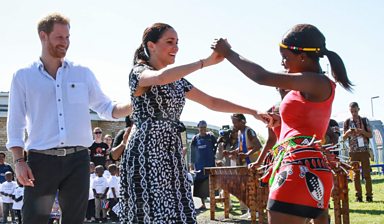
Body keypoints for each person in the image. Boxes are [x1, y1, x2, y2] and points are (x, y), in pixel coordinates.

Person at [113, 22, 270, 223]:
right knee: (149, 213)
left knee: (178, 211)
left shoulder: (178, 80)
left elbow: (211, 102)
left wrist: (253, 111)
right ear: (151, 45)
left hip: (171, 150)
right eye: (170, 42)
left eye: (177, 42)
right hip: (146, 150)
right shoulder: (139, 71)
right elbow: (160, 77)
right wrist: (205, 62)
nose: (176, 48)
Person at [213, 23, 353, 223]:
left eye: (285, 57)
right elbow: (302, 125)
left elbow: (262, 77)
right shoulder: (310, 87)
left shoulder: (317, 82)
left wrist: (228, 53)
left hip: (297, 171)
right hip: (310, 168)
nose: (283, 63)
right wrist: (279, 121)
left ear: (303, 57)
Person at [6, 13, 131, 224]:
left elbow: (107, 107)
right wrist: (19, 161)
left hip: (78, 160)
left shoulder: (83, 73)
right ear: (43, 36)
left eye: (68, 37)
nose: (65, 42)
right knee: (33, 219)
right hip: (40, 161)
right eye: (60, 37)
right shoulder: (23, 76)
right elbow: (15, 122)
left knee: (75, 219)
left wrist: (136, 103)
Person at [343, 102, 373, 202]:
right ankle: (358, 197)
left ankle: (369, 196)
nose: (354, 113)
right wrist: (347, 133)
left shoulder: (364, 120)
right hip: (353, 152)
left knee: (367, 174)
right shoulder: (347, 122)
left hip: (364, 151)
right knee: (355, 175)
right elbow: (343, 138)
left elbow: (370, 135)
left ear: (358, 109)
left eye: (355, 111)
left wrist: (362, 132)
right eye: (352, 111)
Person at [190, 120, 217, 210]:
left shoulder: (211, 137)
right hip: (199, 165)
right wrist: (192, 164)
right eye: (201, 128)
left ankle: (214, 203)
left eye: (204, 128)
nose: (202, 129)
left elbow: (216, 147)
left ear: (206, 128)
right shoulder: (195, 139)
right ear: (198, 128)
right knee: (201, 184)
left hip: (210, 164)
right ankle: (203, 204)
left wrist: (217, 158)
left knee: (212, 183)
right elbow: (192, 152)